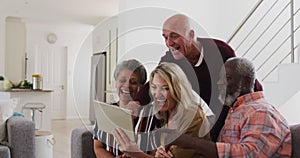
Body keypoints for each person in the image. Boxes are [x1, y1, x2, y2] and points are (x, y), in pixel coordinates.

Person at [128, 14, 263, 140]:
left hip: (245, 105)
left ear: (191, 34)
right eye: (165, 37)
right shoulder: (171, 58)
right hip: (218, 110)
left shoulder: (220, 51)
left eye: (174, 36)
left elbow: (240, 87)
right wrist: (137, 102)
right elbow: (158, 78)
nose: (169, 42)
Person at [154, 57, 292, 157]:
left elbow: (249, 155)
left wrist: (190, 142)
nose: (219, 83)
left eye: (227, 78)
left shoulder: (260, 111)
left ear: (246, 82)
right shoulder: (236, 111)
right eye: (219, 78)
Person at [113, 62, 211, 158]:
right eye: (154, 87)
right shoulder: (164, 113)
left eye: (165, 88)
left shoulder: (193, 117)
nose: (157, 94)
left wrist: (136, 153)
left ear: (178, 89)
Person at [93, 59, 147, 157]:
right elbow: (98, 147)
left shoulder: (149, 116)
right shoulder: (105, 111)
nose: (127, 85)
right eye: (122, 80)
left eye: (133, 82)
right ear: (116, 83)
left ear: (141, 87)